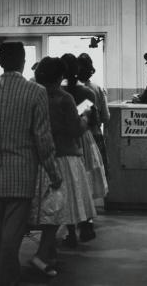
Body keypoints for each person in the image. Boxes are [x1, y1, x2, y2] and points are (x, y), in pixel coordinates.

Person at [0, 42, 61, 286]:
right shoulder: (35, 92)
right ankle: (6, 280)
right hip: (21, 170)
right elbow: (42, 137)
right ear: (23, 61)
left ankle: (10, 274)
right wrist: (53, 172)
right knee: (12, 233)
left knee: (0, 227)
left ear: (0, 61)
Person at [29, 57, 96, 275]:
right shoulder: (64, 98)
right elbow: (75, 130)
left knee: (49, 208)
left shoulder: (34, 96)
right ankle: (41, 255)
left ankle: (50, 254)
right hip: (66, 158)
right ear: (60, 76)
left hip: (42, 158)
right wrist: (85, 117)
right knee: (59, 210)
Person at [61, 53, 108, 244]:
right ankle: (86, 222)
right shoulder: (87, 93)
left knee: (69, 184)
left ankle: (70, 231)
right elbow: (94, 119)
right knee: (85, 180)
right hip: (84, 139)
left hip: (64, 141)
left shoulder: (57, 92)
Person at [77, 53, 110, 176]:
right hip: (95, 135)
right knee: (97, 176)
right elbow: (106, 117)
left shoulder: (69, 90)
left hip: (77, 137)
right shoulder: (97, 88)